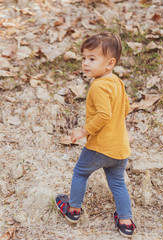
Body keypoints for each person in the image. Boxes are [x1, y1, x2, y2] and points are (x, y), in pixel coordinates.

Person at [55, 32, 136, 238]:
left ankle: (73, 210)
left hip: (100, 147)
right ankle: (126, 222)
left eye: (92, 59)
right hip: (120, 148)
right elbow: (125, 107)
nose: (85, 63)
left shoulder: (98, 86)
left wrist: (84, 131)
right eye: (84, 58)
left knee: (80, 173)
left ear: (109, 63)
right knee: (117, 183)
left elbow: (103, 114)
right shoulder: (117, 82)